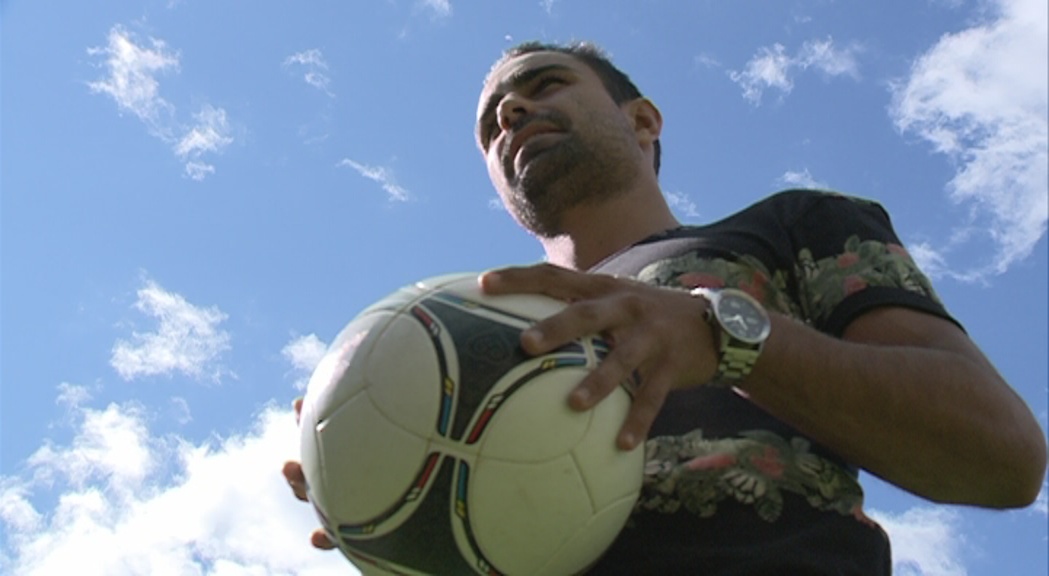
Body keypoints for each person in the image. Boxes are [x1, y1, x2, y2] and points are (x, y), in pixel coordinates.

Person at [284, 41, 1047, 573]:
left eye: (544, 85)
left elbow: (1000, 458)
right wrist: (380, 496)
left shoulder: (791, 226)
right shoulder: (469, 319)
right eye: (491, 124)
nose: (511, 112)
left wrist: (731, 339)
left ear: (642, 120)